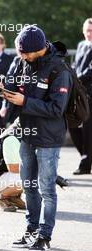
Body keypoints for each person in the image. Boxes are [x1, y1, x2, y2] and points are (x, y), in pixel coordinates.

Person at [0, 25, 73, 251]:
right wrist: (0, 89)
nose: (21, 57)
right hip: (26, 133)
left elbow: (57, 108)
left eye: (25, 53)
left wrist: (24, 102)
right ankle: (30, 230)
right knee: (29, 186)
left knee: (47, 188)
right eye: (19, 52)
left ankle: (45, 235)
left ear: (40, 49)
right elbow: (11, 85)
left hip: (49, 137)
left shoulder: (59, 69)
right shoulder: (21, 61)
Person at [0, 119, 26, 212]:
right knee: (32, 178)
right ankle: (2, 197)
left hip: (5, 175)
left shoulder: (21, 134)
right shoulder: (11, 138)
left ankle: (13, 198)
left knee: (36, 176)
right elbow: (13, 168)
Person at [69, 18, 92, 175]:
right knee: (72, 125)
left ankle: (86, 164)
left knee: (88, 130)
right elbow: (76, 65)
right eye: (87, 30)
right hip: (78, 93)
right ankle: (85, 157)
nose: (89, 33)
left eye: (91, 30)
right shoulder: (81, 45)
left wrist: (75, 79)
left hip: (90, 93)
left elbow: (90, 71)